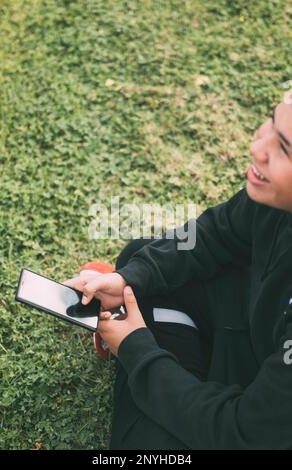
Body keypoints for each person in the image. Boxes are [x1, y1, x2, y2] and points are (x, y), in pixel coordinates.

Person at [63, 101, 292, 450]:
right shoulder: (276, 199)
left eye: (285, 149)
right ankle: (138, 328)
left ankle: (137, 341)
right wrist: (129, 280)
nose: (257, 148)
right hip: (255, 335)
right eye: (272, 124)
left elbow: (243, 432)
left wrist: (137, 351)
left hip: (256, 417)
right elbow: (218, 232)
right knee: (142, 265)